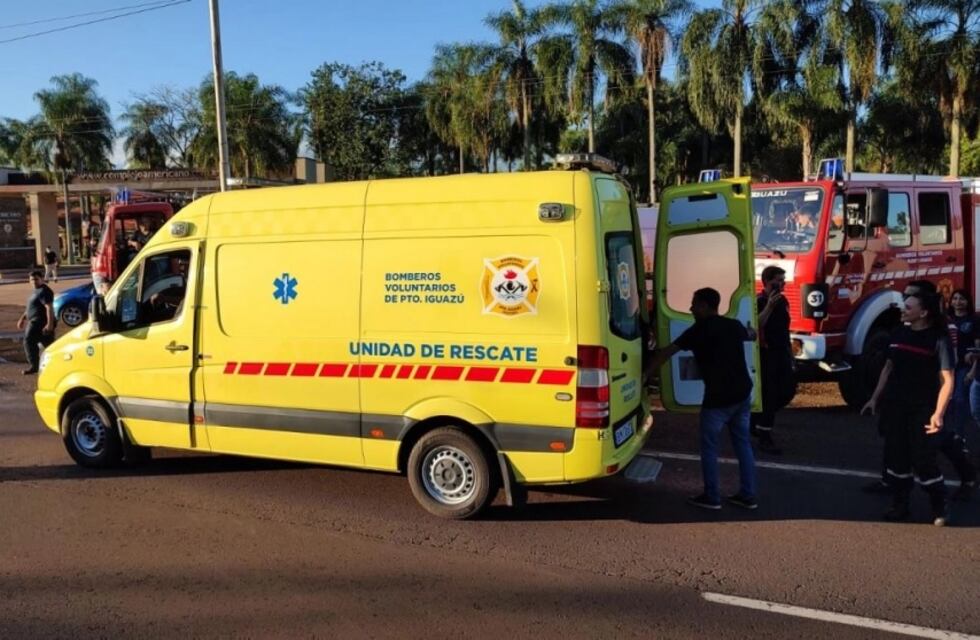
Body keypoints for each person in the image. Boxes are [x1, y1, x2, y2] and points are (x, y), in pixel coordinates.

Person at [863, 280, 977, 499]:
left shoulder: (943, 330)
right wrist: (877, 396)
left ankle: (967, 473)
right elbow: (890, 364)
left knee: (937, 438)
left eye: (910, 297)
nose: (904, 301)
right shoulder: (903, 328)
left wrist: (939, 405)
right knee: (893, 434)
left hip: (927, 395)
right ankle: (890, 478)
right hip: (899, 394)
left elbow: (944, 368)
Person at [648, 287, 758, 510]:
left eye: (695, 304)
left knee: (709, 447)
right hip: (742, 394)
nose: (691, 308)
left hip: (718, 400)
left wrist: (644, 374)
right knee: (743, 445)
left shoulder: (698, 331)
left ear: (706, 306)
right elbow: (752, 334)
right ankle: (748, 495)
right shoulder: (733, 325)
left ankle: (712, 496)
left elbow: (666, 353)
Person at [862, 290, 953, 525]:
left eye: (909, 307)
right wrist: (874, 399)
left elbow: (947, 380)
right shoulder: (898, 333)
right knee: (896, 456)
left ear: (923, 313)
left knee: (923, 458)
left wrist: (938, 414)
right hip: (895, 406)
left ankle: (939, 505)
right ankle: (900, 504)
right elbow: (888, 368)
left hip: (922, 408)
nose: (904, 309)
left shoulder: (938, 339)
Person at [752, 265, 796, 454]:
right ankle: (764, 436)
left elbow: (785, 328)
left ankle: (754, 420)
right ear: (767, 282)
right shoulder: (760, 301)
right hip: (767, 354)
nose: (781, 284)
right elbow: (756, 324)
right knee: (770, 394)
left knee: (787, 391)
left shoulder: (784, 301)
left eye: (783, 280)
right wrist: (769, 306)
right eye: (777, 280)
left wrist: (790, 353)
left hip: (782, 351)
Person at [16, 270, 56, 375]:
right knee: (49, 345)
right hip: (35, 321)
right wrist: (22, 318)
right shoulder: (36, 291)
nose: (34, 281)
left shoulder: (44, 291)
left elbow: (49, 308)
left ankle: (34, 365)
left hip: (39, 322)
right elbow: (31, 307)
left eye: (36, 279)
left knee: (28, 341)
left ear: (42, 279)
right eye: (32, 279)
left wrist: (50, 324)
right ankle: (56, 364)